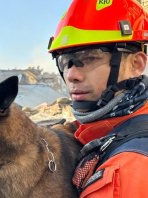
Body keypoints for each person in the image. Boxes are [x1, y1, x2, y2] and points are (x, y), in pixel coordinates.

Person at [48, 0, 148, 197]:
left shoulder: (124, 171)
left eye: (89, 58)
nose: (71, 75)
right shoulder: (110, 132)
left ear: (136, 64)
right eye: (65, 62)